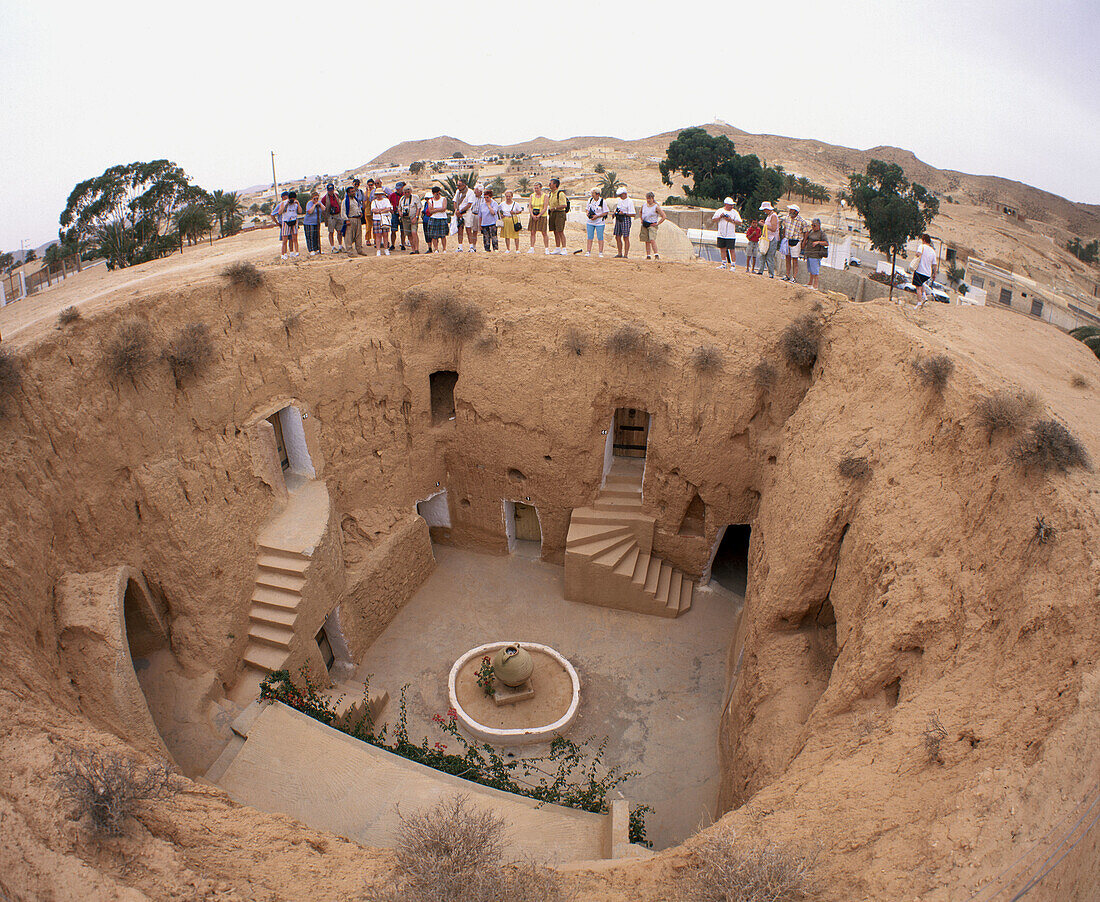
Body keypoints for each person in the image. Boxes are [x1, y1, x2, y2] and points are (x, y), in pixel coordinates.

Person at [711, 197, 742, 270]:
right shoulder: (719, 210)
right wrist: (720, 217)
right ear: (726, 204)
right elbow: (714, 220)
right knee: (722, 249)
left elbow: (740, 222)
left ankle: (733, 265)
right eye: (730, 205)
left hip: (730, 235)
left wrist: (731, 220)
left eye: (732, 205)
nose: (731, 206)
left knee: (732, 250)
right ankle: (723, 263)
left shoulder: (735, 212)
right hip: (721, 234)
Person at [781, 204, 808, 282]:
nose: (789, 211)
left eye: (791, 210)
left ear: (796, 212)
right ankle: (787, 274)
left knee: (795, 259)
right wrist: (783, 238)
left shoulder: (802, 221)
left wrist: (804, 242)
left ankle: (794, 277)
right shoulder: (786, 218)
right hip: (787, 240)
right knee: (787, 258)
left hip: (796, 241)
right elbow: (784, 228)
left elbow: (806, 232)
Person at [912, 233, 938, 307]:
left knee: (918, 288)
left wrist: (916, 255)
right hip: (927, 273)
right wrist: (934, 274)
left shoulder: (922, 246)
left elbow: (918, 254)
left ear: (923, 240)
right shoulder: (933, 251)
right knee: (922, 283)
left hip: (920, 271)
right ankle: (924, 296)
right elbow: (934, 264)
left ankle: (919, 302)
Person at [803, 218, 829, 290]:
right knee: (811, 270)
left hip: (816, 254)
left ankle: (815, 285)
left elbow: (826, 243)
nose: (813, 227)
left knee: (815, 270)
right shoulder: (811, 232)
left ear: (819, 225)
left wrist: (818, 242)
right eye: (812, 225)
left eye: (814, 225)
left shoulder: (822, 234)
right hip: (809, 253)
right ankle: (810, 283)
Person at [756, 201, 780, 278]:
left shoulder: (773, 216)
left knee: (770, 256)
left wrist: (764, 225)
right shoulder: (769, 216)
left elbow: (773, 228)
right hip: (767, 238)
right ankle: (760, 270)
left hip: (772, 238)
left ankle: (771, 273)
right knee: (763, 254)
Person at [639, 192, 666, 260]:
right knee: (646, 240)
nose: (648, 200)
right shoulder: (644, 205)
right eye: (647, 198)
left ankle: (656, 254)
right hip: (645, 224)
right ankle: (648, 255)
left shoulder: (656, 207)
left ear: (652, 198)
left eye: (650, 198)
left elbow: (663, 216)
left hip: (652, 225)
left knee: (652, 239)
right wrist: (641, 219)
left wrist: (658, 223)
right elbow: (640, 212)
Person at [584, 188, 609, 257]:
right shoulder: (590, 200)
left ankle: (600, 252)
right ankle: (588, 251)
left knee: (600, 237)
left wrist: (597, 216)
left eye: (593, 193)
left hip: (599, 222)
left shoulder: (602, 201)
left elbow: (606, 212)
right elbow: (587, 209)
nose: (592, 195)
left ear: (597, 194)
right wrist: (588, 213)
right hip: (590, 222)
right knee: (590, 237)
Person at [527, 181, 550, 254]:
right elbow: (530, 206)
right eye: (535, 188)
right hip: (533, 215)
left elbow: (545, 207)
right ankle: (532, 248)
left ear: (540, 188)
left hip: (542, 215)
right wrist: (532, 215)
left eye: (537, 188)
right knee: (532, 232)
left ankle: (546, 248)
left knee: (544, 232)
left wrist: (539, 215)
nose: (536, 189)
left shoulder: (545, 196)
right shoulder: (532, 196)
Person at [342, 182, 365, 256]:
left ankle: (359, 249)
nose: (353, 193)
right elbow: (343, 212)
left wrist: (360, 212)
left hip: (358, 219)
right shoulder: (345, 201)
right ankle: (349, 251)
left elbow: (358, 207)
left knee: (358, 235)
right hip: (350, 219)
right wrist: (346, 220)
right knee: (349, 236)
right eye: (352, 192)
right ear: (348, 193)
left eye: (354, 191)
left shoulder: (355, 200)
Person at [547, 178, 569, 255]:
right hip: (553, 213)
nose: (549, 185)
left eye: (550, 183)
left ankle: (564, 248)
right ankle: (557, 248)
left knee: (560, 231)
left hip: (559, 213)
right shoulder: (551, 194)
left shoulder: (560, 194)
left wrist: (555, 208)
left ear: (555, 184)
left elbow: (564, 205)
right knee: (555, 231)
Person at [613, 187, 635, 259]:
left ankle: (626, 254)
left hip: (625, 219)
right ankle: (619, 253)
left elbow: (633, 214)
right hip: (618, 219)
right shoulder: (619, 201)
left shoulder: (629, 202)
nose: (620, 196)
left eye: (621, 195)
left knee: (626, 237)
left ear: (625, 194)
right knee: (617, 236)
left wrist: (624, 213)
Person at [279, 190, 302, 259]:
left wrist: (298, 204)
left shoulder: (295, 204)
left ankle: (296, 252)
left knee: (295, 238)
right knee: (285, 239)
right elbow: (280, 212)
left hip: (294, 221)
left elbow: (300, 211)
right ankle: (283, 254)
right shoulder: (283, 203)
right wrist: (286, 204)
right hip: (286, 221)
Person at [399, 184, 421, 254]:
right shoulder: (402, 199)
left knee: (414, 232)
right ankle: (413, 249)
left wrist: (416, 217)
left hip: (413, 217)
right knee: (409, 234)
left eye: (408, 192)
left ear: (411, 191)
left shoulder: (415, 197)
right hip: (405, 219)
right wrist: (400, 213)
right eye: (405, 192)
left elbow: (419, 208)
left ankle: (417, 249)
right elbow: (399, 208)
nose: (407, 193)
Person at [426, 185, 449, 252]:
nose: (438, 195)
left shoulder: (443, 199)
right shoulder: (430, 200)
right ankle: (436, 249)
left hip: (442, 218)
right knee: (434, 236)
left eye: (439, 193)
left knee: (443, 235)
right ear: (433, 193)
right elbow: (430, 211)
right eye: (436, 194)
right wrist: (439, 209)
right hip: (434, 218)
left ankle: (444, 249)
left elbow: (444, 208)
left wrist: (435, 209)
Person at [322, 183, 343, 253]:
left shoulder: (336, 196)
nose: (331, 191)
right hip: (331, 216)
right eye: (329, 190)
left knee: (339, 231)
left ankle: (340, 246)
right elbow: (322, 207)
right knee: (331, 231)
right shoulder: (325, 198)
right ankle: (332, 247)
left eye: (332, 190)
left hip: (338, 215)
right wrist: (326, 215)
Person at [370, 187, 393, 256]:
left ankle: (386, 249)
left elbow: (388, 208)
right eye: (377, 194)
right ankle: (378, 249)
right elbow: (373, 210)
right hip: (376, 219)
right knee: (378, 235)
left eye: (379, 194)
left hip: (384, 219)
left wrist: (379, 211)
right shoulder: (374, 202)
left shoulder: (386, 200)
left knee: (385, 235)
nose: (378, 195)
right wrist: (383, 210)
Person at [454, 179, 474, 251]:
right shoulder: (458, 192)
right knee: (460, 230)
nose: (458, 186)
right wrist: (456, 210)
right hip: (459, 213)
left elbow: (469, 204)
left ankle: (471, 247)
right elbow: (455, 201)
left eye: (459, 185)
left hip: (466, 213)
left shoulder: (470, 192)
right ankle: (460, 247)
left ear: (464, 185)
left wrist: (460, 211)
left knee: (468, 229)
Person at [303, 190, 323, 257]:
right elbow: (309, 211)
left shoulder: (319, 203)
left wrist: (320, 204)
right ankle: (311, 250)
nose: (316, 200)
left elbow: (324, 209)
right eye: (314, 198)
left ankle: (316, 248)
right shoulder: (309, 203)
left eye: (317, 198)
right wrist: (314, 205)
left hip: (316, 222)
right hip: (309, 223)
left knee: (316, 236)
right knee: (310, 236)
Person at [389, 182, 403, 250]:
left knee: (403, 230)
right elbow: (388, 203)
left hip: (402, 213)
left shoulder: (404, 195)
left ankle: (403, 244)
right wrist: (391, 210)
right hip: (395, 213)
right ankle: (392, 244)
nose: (398, 190)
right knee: (393, 230)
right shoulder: (392, 195)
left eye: (399, 188)